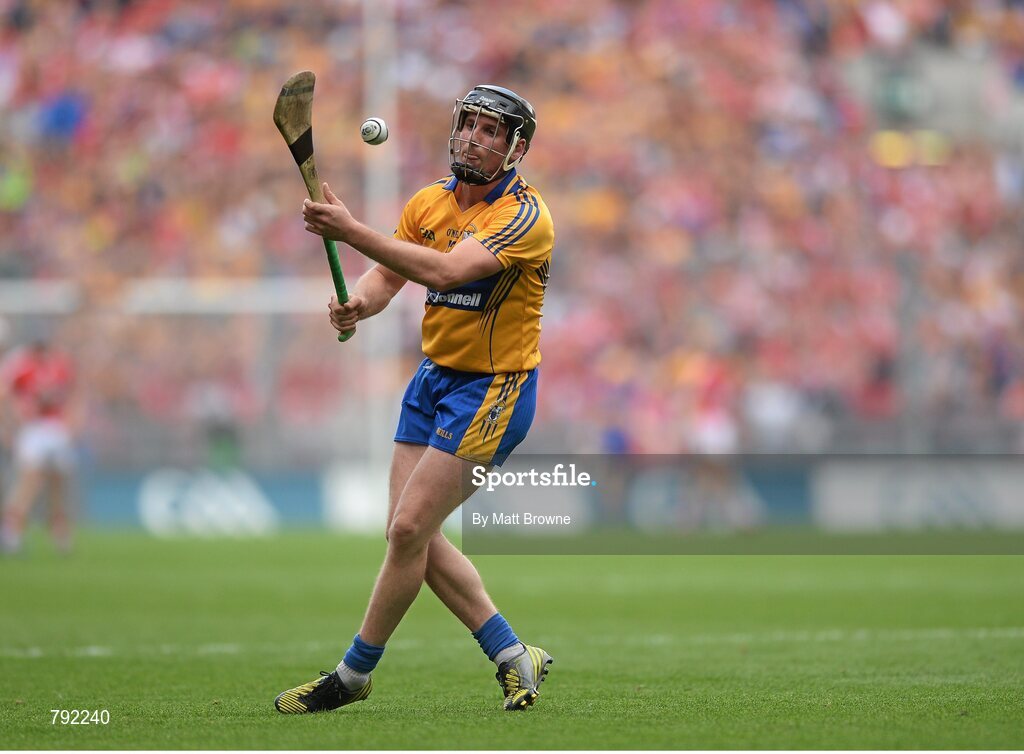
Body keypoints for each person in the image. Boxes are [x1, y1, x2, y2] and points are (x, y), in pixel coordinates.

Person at [274, 85, 555, 714]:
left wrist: (349, 230)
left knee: (407, 529)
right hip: (433, 381)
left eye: (493, 132)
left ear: (515, 149)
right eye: (470, 126)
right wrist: (360, 305)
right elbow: (388, 278)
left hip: (494, 390)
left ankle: (351, 676)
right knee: (408, 536)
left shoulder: (525, 218)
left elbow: (446, 272)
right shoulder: (429, 202)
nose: (476, 139)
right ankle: (515, 655)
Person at [0, 336, 77, 554]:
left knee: (57, 482)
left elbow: (73, 394)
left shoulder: (60, 366)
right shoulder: (22, 367)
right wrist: (9, 424)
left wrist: (72, 423)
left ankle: (58, 529)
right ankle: (11, 530)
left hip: (56, 428)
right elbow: (5, 395)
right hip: (33, 429)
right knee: (29, 480)